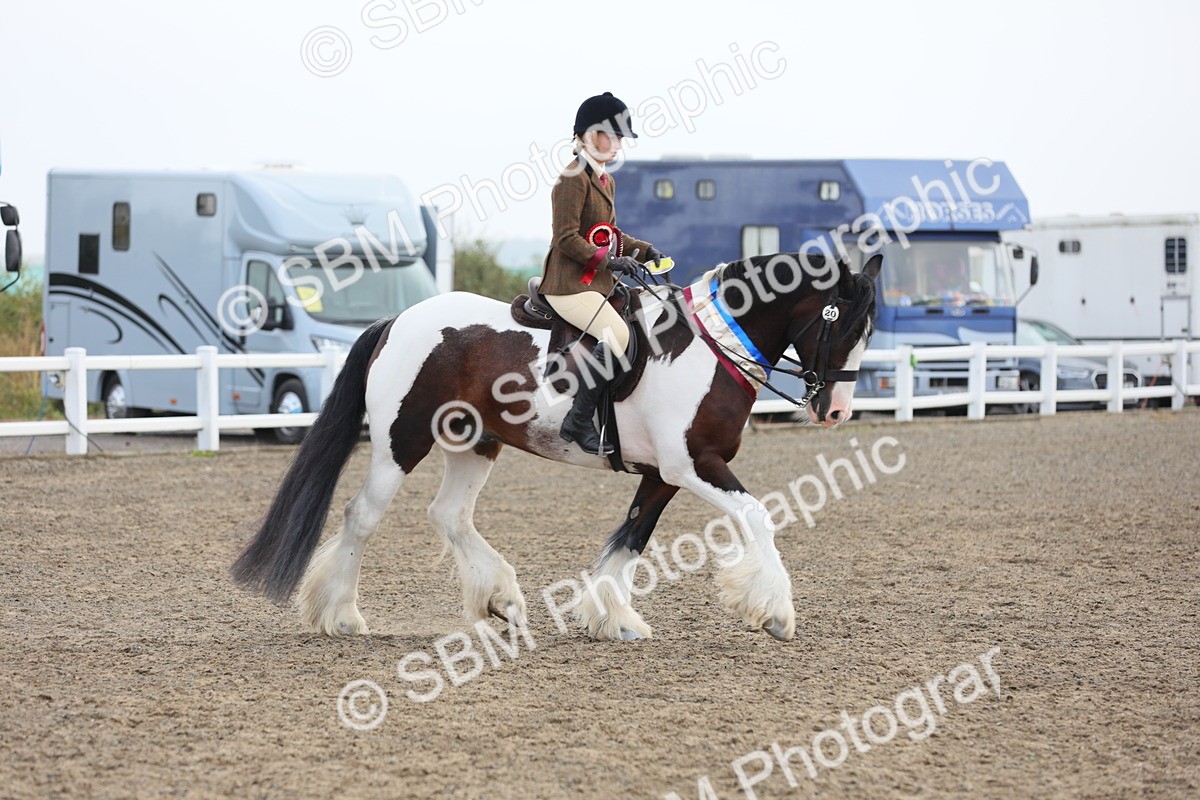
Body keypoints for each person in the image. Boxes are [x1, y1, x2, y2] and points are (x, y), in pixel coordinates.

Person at [541, 91, 668, 456]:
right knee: (617, 335)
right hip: (567, 286)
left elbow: (610, 234)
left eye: (619, 138)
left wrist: (644, 251)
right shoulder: (572, 177)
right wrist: (609, 261)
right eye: (608, 136)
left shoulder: (604, 180)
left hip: (596, 282)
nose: (616, 145)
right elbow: (565, 238)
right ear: (584, 135)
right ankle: (578, 421)